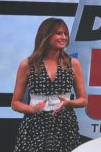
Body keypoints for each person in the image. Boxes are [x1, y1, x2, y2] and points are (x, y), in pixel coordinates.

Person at [11, 17, 88, 152]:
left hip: (64, 125)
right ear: (46, 36)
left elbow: (83, 100)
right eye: (59, 33)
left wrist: (68, 103)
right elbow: (15, 103)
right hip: (35, 126)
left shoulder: (73, 63)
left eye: (65, 34)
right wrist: (32, 109)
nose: (63, 37)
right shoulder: (28, 65)